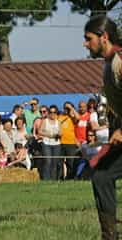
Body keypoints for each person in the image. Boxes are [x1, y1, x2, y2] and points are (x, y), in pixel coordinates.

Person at [83, 15, 122, 239]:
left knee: (103, 177)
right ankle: (109, 235)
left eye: (89, 39)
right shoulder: (109, 63)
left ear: (104, 37)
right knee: (101, 176)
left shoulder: (119, 62)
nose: (85, 44)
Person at [39, 105, 61, 180]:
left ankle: (53, 179)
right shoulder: (45, 121)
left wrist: (58, 135)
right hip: (46, 143)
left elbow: (61, 132)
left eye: (54, 112)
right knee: (48, 161)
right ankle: (46, 179)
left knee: (54, 162)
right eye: (51, 112)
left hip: (56, 144)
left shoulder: (58, 122)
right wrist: (49, 135)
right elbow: (40, 131)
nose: (52, 114)